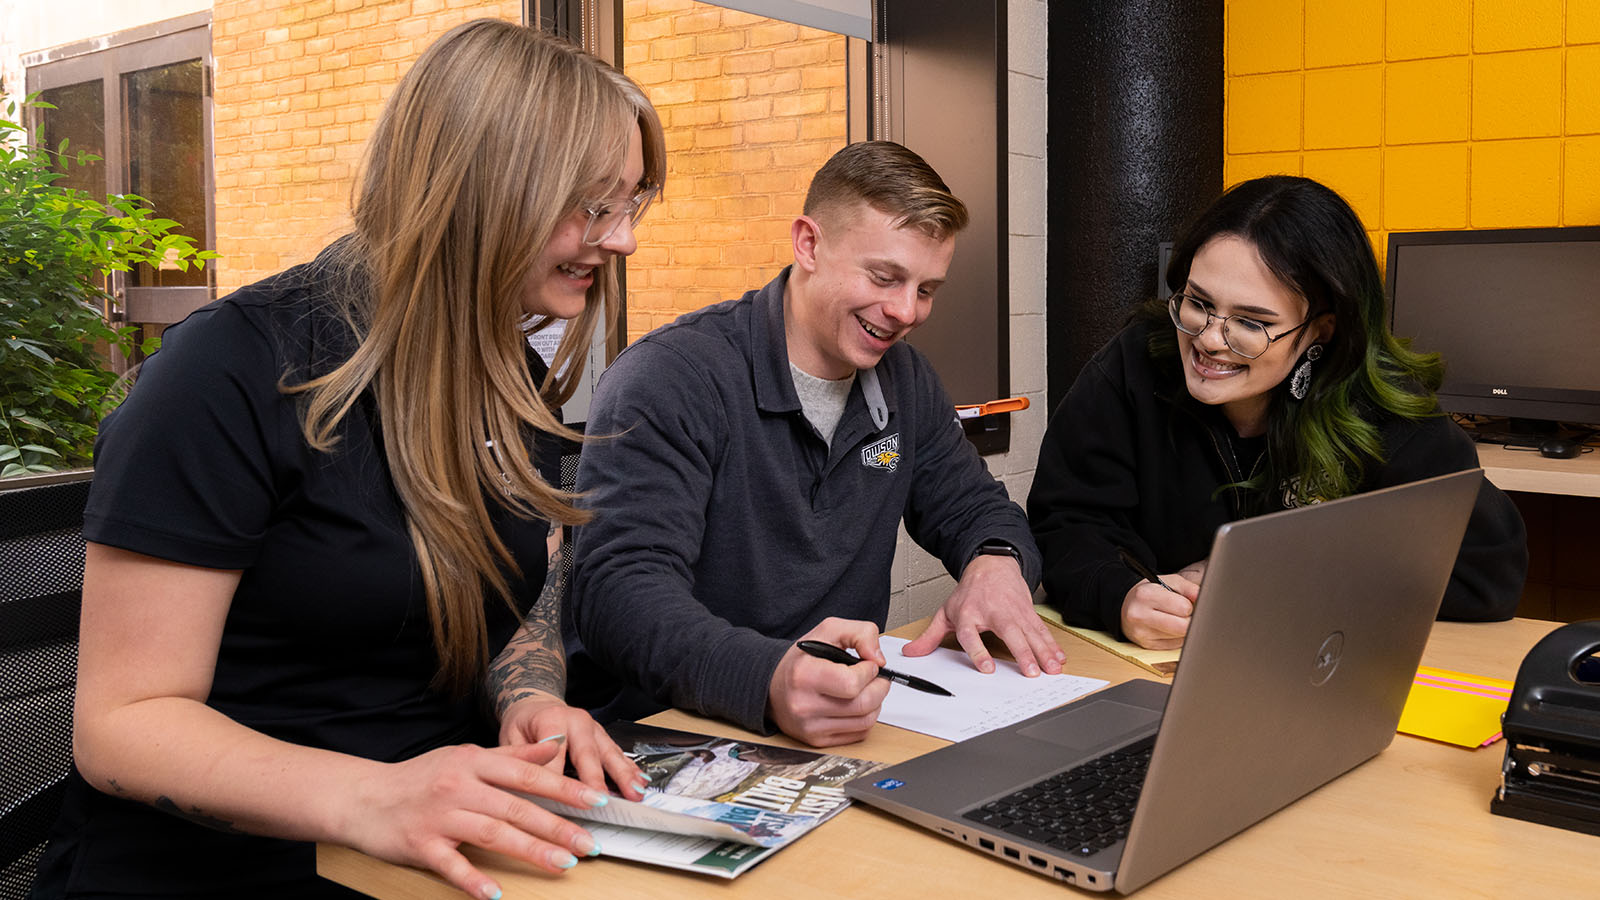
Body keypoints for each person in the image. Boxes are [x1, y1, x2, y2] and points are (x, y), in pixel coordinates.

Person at [30, 20, 666, 900]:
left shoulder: (506, 379)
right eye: (595, 206)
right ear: (478, 188)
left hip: (421, 853)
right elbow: (123, 727)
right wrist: (374, 797)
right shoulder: (227, 372)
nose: (623, 239)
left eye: (631, 203)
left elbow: (503, 601)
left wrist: (529, 702)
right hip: (220, 871)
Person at [568, 141, 1065, 749]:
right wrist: (768, 679)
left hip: (842, 732)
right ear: (808, 244)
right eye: (884, 277)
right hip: (673, 735)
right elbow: (618, 596)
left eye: (927, 289)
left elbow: (976, 510)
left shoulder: (905, 381)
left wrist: (997, 564)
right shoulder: (672, 378)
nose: (905, 311)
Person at [1027, 175, 1527, 650]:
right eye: (1198, 302)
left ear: (1322, 330)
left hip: (1307, 668)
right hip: (1144, 669)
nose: (1208, 340)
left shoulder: (1380, 406)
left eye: (1250, 322)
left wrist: (1261, 574)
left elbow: (1485, 571)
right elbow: (1067, 521)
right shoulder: (1135, 362)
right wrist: (1120, 596)